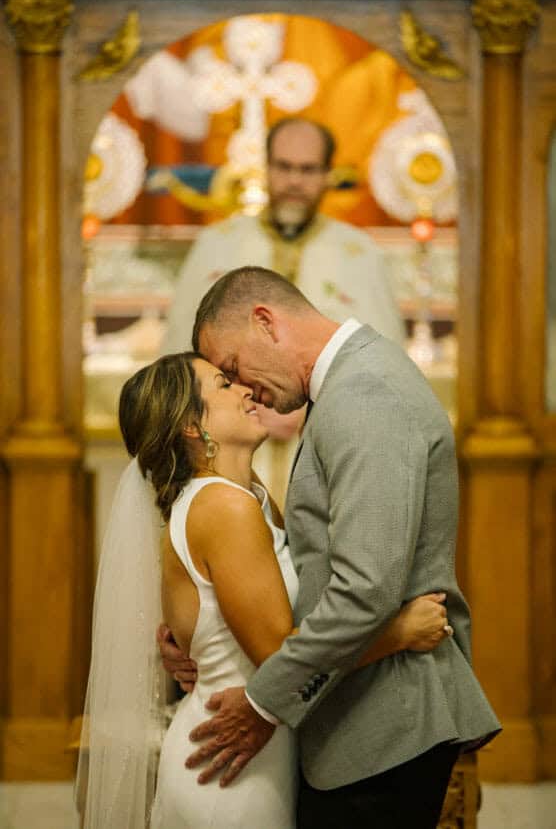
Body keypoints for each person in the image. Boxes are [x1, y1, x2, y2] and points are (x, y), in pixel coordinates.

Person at [164, 266, 501, 829]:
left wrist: (262, 702)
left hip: (387, 723)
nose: (246, 389)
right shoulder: (349, 384)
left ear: (265, 322)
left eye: (232, 368)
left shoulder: (364, 393)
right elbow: (315, 556)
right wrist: (198, 628)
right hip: (361, 715)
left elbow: (365, 590)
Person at [77, 351, 454, 829]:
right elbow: (279, 654)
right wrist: (398, 634)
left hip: (255, 749)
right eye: (223, 384)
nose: (245, 390)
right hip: (230, 766)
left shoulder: (245, 497)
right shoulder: (222, 508)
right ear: (193, 425)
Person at [162, 117, 405, 503]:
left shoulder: (359, 255)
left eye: (308, 170)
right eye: (284, 167)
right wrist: (248, 405)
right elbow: (180, 362)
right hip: (226, 454)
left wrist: (304, 410)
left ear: (328, 174)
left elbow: (382, 370)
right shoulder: (216, 245)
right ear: (267, 167)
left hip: (328, 459)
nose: (294, 181)